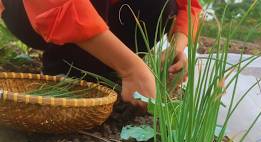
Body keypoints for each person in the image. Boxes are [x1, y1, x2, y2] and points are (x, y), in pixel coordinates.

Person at [0, 0, 202, 108]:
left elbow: (188, 5)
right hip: (29, 9)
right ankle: (65, 69)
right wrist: (131, 69)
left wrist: (177, 46)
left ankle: (106, 66)